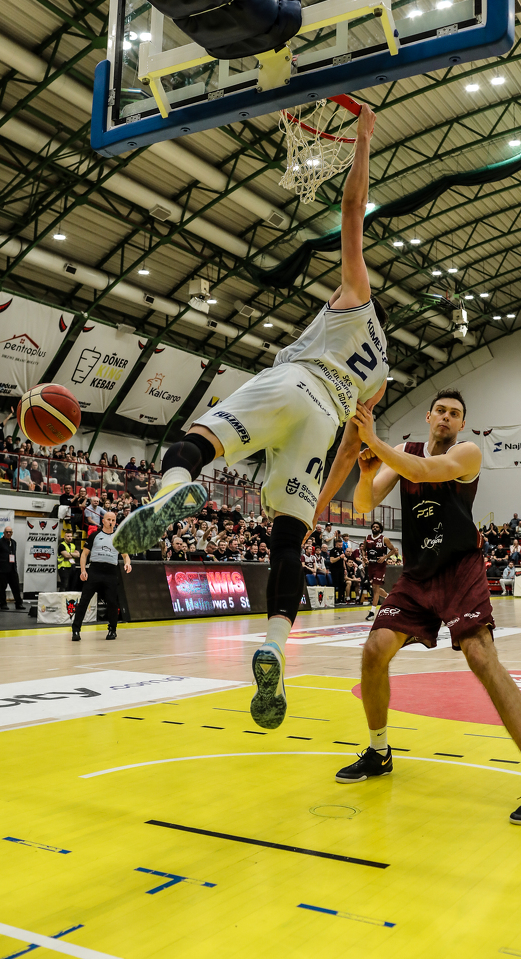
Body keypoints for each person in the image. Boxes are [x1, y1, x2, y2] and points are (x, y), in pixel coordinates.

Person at [112, 105, 388, 731]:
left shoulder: (356, 297)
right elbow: (354, 448)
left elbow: (353, 210)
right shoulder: (380, 375)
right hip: (325, 424)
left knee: (194, 443)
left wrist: (363, 142)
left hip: (293, 383)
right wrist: (320, 501)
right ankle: (274, 649)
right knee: (287, 542)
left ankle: (175, 491)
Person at [333, 389, 521, 826]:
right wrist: (366, 475)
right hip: (417, 573)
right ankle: (379, 751)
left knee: (481, 656)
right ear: (428, 416)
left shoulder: (468, 453)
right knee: (374, 650)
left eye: (455, 413)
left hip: (460, 568)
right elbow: (365, 504)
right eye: (440, 410)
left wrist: (374, 441)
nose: (446, 417)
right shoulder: (404, 451)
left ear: (462, 424)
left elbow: (423, 471)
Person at [71, 511, 131, 641]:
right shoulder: (94, 535)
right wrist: (83, 570)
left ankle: (112, 630)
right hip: (95, 571)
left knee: (112, 602)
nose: (111, 522)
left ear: (115, 522)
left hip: (111, 572)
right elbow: (84, 554)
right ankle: (76, 630)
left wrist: (127, 563)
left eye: (113, 520)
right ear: (103, 521)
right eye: (108, 519)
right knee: (84, 601)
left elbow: (126, 556)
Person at [363, 520, 398, 621]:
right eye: (373, 526)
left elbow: (393, 550)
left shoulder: (384, 539)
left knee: (375, 587)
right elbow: (363, 549)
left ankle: (372, 612)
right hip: (371, 565)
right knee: (375, 589)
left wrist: (385, 557)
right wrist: (364, 557)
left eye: (377, 527)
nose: (375, 528)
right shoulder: (367, 538)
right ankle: (389, 597)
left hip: (380, 566)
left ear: (380, 529)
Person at [0, 526, 25, 611]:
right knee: (2, 588)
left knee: (16, 587)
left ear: (12, 533)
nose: (8, 533)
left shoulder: (14, 542)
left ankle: (18, 603)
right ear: (4, 533)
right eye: (7, 532)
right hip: (2, 569)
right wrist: (0, 564)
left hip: (12, 569)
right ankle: (3, 604)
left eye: (10, 532)